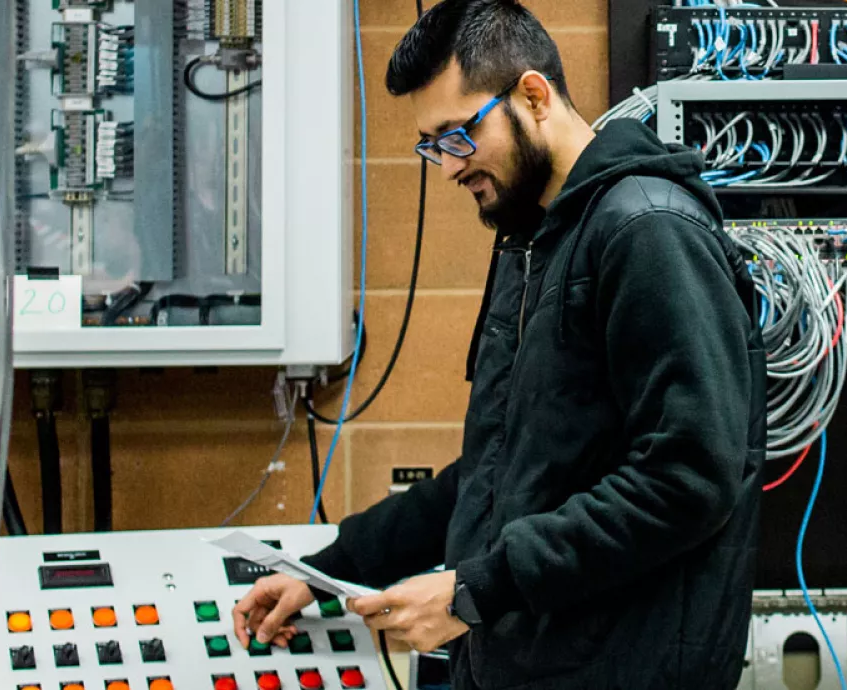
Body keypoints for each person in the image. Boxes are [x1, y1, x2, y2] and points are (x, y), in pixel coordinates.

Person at [232, 1, 766, 688]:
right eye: (432, 145)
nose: (448, 167)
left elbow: (687, 478)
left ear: (534, 96)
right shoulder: (534, 242)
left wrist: (475, 589)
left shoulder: (647, 230)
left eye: (458, 136)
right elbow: (499, 473)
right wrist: (337, 567)